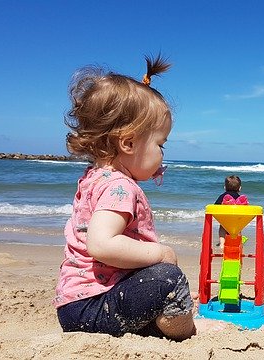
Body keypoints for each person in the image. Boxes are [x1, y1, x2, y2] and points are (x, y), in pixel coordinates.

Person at [54, 55, 223, 340]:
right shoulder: (119, 187)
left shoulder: (95, 176)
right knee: (169, 278)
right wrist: (161, 253)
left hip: (78, 305)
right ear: (129, 143)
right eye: (160, 144)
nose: (162, 154)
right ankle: (186, 329)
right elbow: (101, 244)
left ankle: (164, 309)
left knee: (160, 283)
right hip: (95, 307)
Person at [214, 175, 247, 248]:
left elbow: (215, 206)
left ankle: (222, 244)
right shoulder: (240, 198)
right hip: (237, 220)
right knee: (238, 230)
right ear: (240, 188)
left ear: (225, 187)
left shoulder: (222, 196)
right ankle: (238, 244)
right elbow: (245, 209)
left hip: (225, 219)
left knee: (222, 228)